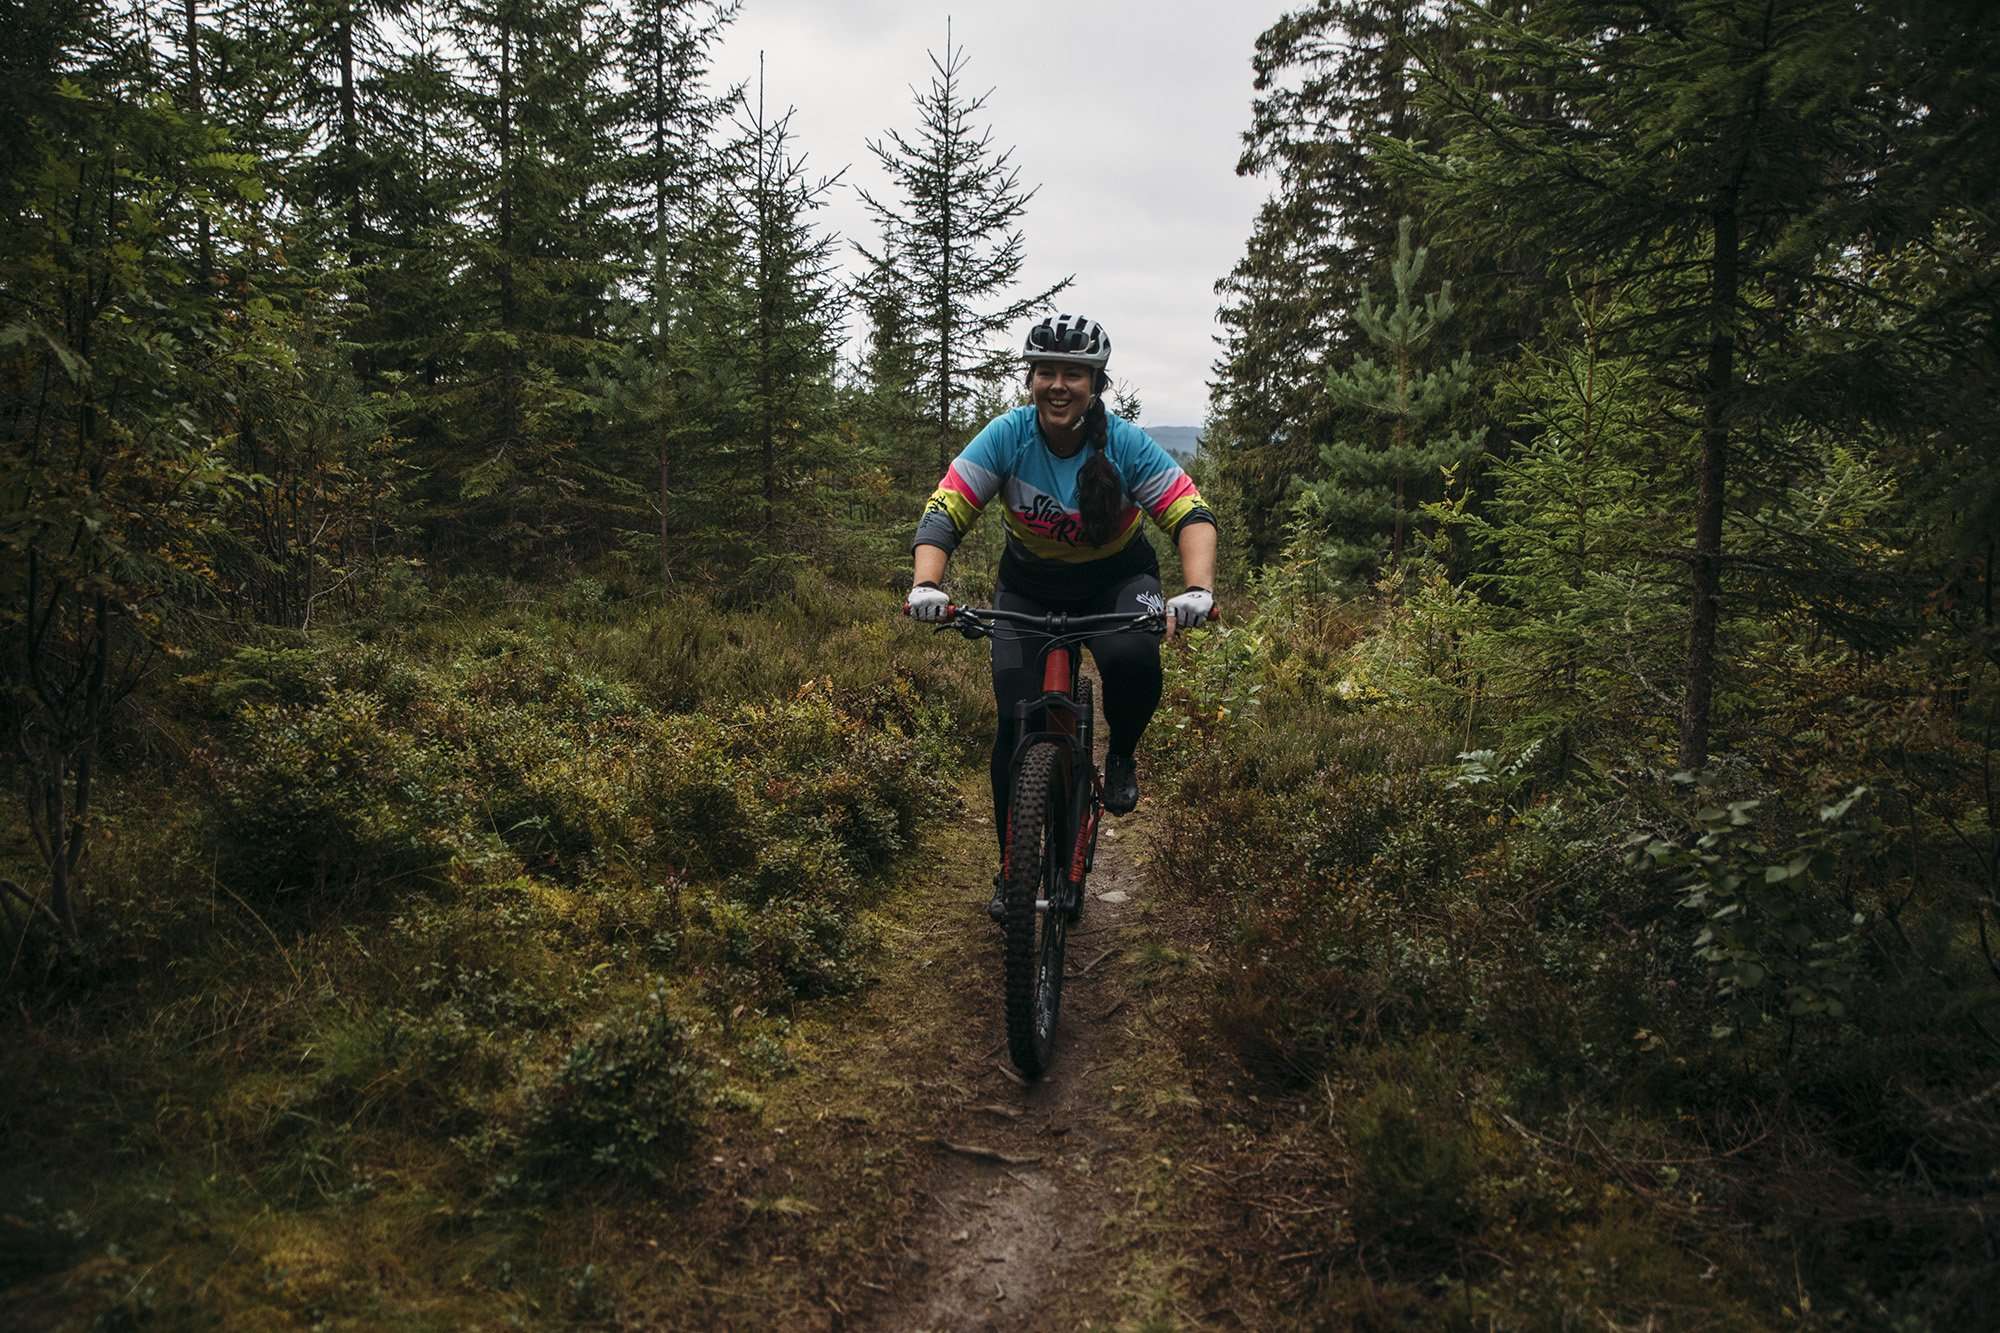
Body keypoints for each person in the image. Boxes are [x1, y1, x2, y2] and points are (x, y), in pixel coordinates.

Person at [904, 313, 1217, 920]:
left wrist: (1198, 589)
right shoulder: (1007, 436)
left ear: (1094, 383)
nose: (1058, 384)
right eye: (1046, 371)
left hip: (1116, 581)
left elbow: (1189, 512)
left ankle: (1122, 751)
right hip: (1029, 587)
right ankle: (1010, 869)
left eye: (1073, 373)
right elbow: (946, 509)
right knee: (1012, 724)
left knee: (1131, 658)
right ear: (1031, 379)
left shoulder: (1123, 444)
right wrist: (926, 583)